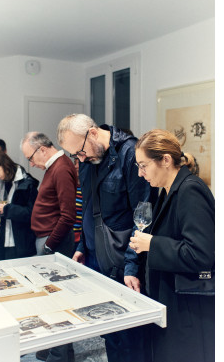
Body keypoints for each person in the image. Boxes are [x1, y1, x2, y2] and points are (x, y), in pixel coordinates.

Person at [57, 113, 158, 362]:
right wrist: (82, 245)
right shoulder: (89, 161)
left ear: (92, 132)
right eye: (75, 156)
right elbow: (89, 210)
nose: (80, 159)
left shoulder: (129, 154)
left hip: (125, 262)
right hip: (97, 260)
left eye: (80, 152)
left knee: (132, 341)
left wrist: (133, 265)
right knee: (110, 334)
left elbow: (143, 215)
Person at [125, 129, 215, 362]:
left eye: (144, 166)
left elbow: (202, 254)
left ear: (165, 160)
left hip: (188, 308)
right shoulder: (167, 190)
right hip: (172, 301)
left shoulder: (190, 190)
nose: (140, 173)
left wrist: (152, 244)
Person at [21, 132, 77, 362]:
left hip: (53, 243)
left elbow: (68, 215)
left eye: (31, 157)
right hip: (47, 240)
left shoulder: (61, 167)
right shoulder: (53, 167)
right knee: (48, 299)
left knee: (57, 302)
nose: (31, 164)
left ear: (42, 149)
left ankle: (59, 356)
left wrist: (49, 246)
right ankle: (52, 349)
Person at [0, 150, 39, 260]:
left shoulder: (27, 183)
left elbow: (32, 214)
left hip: (19, 243)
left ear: (5, 165)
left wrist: (8, 209)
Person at [72, 158, 82, 253]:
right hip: (68, 238)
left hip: (80, 240)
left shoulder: (87, 188)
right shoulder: (70, 186)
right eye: (75, 163)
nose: (76, 166)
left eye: (78, 163)